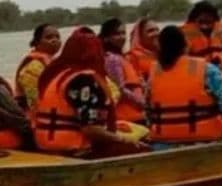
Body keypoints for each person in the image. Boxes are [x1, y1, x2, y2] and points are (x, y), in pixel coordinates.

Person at [34, 28, 144, 156]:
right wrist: (124, 139)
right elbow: (90, 129)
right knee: (139, 147)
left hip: (44, 145)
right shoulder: (84, 80)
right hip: (72, 149)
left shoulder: (59, 75)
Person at [144, 25, 222, 144]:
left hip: (163, 141)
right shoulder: (207, 68)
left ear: (160, 47)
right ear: (185, 44)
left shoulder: (154, 72)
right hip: (205, 140)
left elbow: (147, 109)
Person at [99, 18, 145, 123]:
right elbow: (119, 89)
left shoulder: (120, 57)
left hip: (133, 114)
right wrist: (143, 104)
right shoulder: (112, 59)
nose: (122, 37)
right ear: (106, 38)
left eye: (123, 33)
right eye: (116, 34)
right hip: (126, 116)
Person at [13, 24, 61, 111]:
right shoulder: (33, 68)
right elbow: (34, 103)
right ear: (37, 42)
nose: (55, 40)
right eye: (49, 37)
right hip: (35, 119)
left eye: (57, 37)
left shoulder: (54, 62)